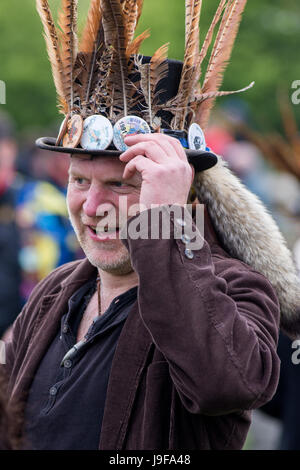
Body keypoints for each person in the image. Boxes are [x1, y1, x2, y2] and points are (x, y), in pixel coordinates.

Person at [3, 0, 300, 450]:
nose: (94, 204)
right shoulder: (55, 291)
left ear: (179, 191)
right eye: (79, 180)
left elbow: (224, 384)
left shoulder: (240, 289)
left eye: (123, 185)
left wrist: (162, 224)